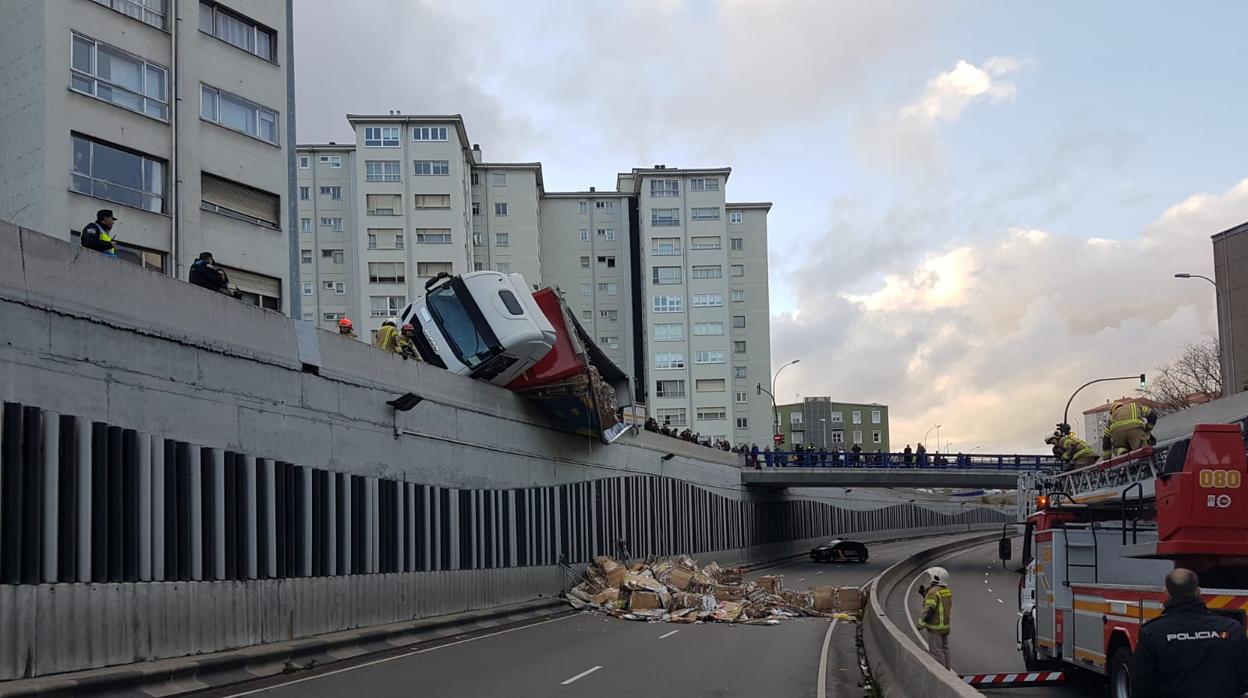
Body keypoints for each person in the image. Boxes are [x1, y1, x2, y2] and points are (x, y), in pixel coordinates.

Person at [1131, 568, 1248, 698]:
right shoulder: (1232, 628)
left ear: (1167, 593)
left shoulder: (1152, 633)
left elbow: (1142, 686)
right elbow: (1243, 677)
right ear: (1198, 591)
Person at [915, 566, 953, 670]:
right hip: (944, 626)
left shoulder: (932, 592)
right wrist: (924, 594)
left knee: (936, 652)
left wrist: (920, 623)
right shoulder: (945, 590)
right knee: (945, 650)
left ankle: (942, 674)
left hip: (935, 627)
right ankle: (948, 670)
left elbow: (930, 609)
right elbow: (938, 603)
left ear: (935, 578)